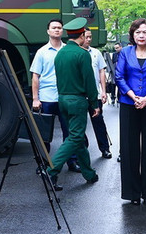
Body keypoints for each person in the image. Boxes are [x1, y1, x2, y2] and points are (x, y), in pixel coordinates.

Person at [114, 18, 146, 205]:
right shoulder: (125, 52)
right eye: (137, 32)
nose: (141, 35)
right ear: (133, 35)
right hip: (129, 104)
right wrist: (132, 96)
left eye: (145, 32)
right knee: (129, 148)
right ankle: (132, 193)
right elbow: (119, 76)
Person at [44, 18, 101, 190]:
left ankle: (88, 173)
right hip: (77, 101)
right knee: (75, 137)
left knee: (77, 137)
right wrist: (94, 104)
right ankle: (51, 170)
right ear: (82, 35)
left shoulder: (60, 52)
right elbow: (89, 82)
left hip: (62, 99)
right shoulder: (82, 54)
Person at [31, 18, 79, 172]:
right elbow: (35, 76)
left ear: (63, 31)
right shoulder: (42, 52)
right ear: (48, 31)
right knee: (45, 135)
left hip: (66, 97)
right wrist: (35, 99)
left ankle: (72, 162)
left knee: (69, 133)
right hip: (47, 98)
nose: (57, 30)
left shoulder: (68, 50)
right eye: (54, 28)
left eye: (59, 27)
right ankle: (43, 164)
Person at [82, 28, 112, 159]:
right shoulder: (74, 53)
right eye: (86, 37)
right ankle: (83, 149)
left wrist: (103, 91)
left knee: (99, 122)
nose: (89, 39)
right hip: (80, 95)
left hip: (95, 95)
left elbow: (101, 72)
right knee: (79, 124)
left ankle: (105, 148)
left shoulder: (96, 53)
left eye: (90, 37)